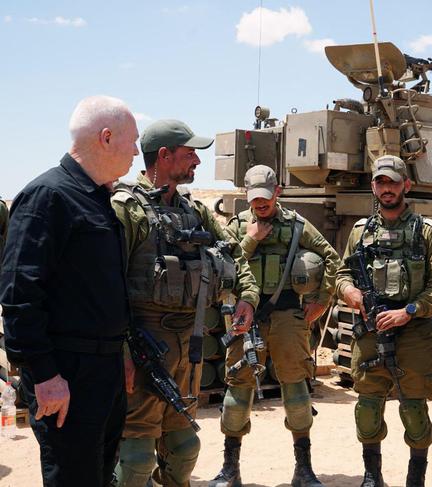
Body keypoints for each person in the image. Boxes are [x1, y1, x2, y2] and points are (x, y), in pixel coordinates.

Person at [110, 119, 260, 487]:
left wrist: (247, 297)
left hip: (187, 350)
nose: (196, 160)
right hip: (142, 345)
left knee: (184, 447)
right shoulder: (126, 209)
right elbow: (107, 286)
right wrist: (123, 353)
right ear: (163, 156)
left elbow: (234, 253)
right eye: (189, 153)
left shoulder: (195, 210)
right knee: (136, 457)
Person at [0, 95, 139, 486]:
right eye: (132, 140)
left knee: (98, 475)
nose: (135, 151)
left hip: (104, 370)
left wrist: (120, 353)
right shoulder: (48, 196)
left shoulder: (97, 198)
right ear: (106, 137)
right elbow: (19, 294)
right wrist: (45, 375)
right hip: (67, 373)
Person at [210, 165, 340, 487]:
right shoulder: (238, 227)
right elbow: (222, 264)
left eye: (265, 198)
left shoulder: (297, 225)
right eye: (254, 199)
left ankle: (304, 469)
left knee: (296, 392)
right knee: (237, 391)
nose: (260, 205)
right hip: (245, 317)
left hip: (288, 318)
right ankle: (230, 469)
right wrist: (250, 241)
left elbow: (332, 258)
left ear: (277, 192)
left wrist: (322, 299)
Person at [335, 155, 432, 487]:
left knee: (414, 410)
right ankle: (372, 476)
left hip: (413, 333)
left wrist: (409, 311)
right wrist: (350, 293)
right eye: (380, 182)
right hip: (370, 331)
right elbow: (342, 274)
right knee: (367, 408)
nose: (386, 189)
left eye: (393, 182)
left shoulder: (428, 232)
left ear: (406, 186)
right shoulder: (361, 232)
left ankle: (416, 477)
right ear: (373, 186)